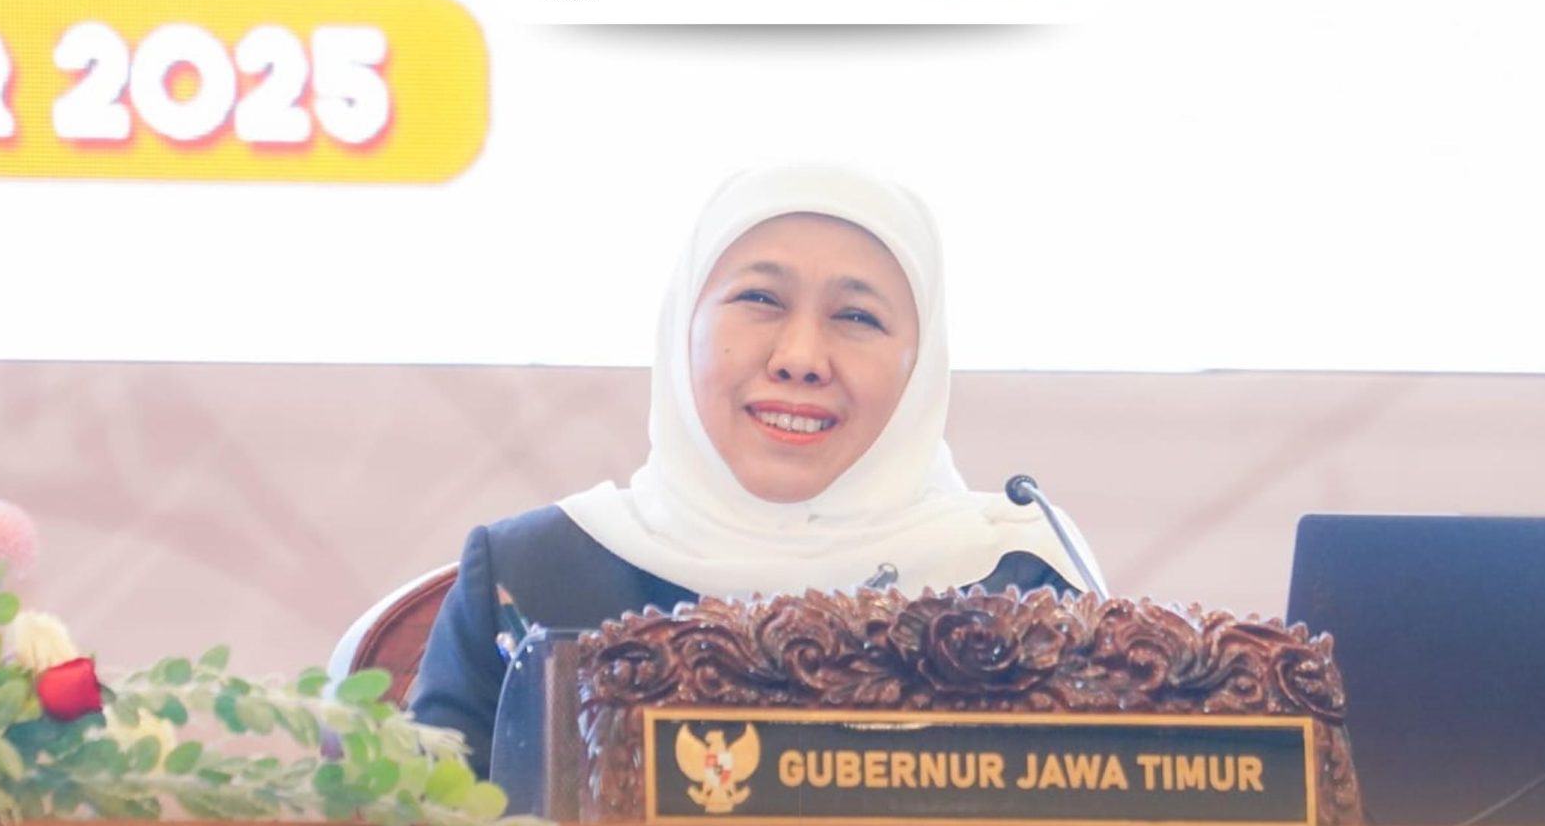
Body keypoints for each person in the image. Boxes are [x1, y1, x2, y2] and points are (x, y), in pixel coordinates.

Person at [411, 162, 1093, 772]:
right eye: (760, 300)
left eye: (858, 316)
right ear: (685, 324)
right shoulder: (532, 575)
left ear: (924, 365)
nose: (801, 358)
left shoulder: (1017, 584)